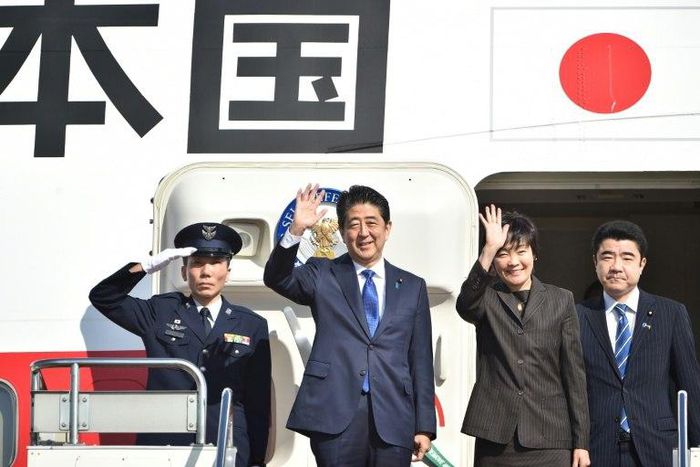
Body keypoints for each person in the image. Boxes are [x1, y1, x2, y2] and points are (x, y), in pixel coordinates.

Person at [263, 184, 435, 467]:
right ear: (342, 232)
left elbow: (420, 360)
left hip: (393, 417)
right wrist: (295, 230)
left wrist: (424, 425)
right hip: (335, 415)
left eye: (372, 223)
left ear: (387, 228)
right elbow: (277, 278)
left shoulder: (412, 286)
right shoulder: (322, 272)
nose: (363, 233)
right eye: (354, 225)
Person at [89, 222, 271, 467]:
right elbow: (104, 297)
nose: (206, 272)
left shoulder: (252, 325)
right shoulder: (160, 311)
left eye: (215, 263)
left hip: (227, 444)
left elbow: (257, 403)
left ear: (228, 272)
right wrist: (145, 267)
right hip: (165, 445)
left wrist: (256, 459)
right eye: (197, 263)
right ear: (184, 272)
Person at [456, 205, 590, 467]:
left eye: (521, 251)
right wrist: (488, 249)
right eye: (503, 254)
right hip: (496, 438)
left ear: (534, 254)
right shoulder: (487, 297)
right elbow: (464, 305)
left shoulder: (561, 300)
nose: (513, 262)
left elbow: (574, 376)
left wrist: (581, 442)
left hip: (551, 437)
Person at [577, 220, 700, 466]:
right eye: (607, 257)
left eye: (627, 257)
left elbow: (690, 385)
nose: (616, 266)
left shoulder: (671, 314)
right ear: (595, 262)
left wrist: (697, 449)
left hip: (659, 448)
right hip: (597, 449)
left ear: (642, 264)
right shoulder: (576, 316)